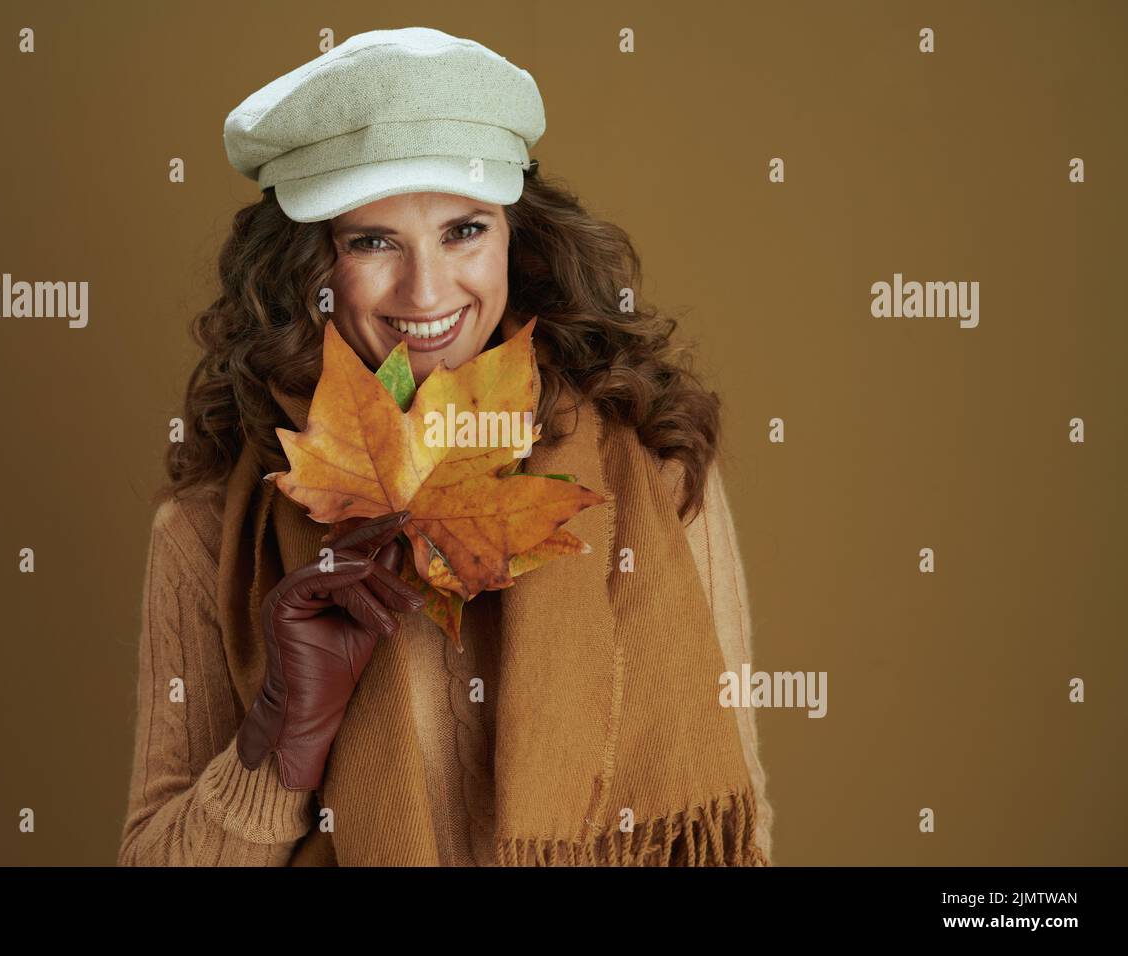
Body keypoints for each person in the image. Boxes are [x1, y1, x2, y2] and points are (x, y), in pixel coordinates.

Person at [118, 27, 775, 867]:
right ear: (303, 266)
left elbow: (735, 818)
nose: (426, 291)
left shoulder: (652, 469)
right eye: (372, 241)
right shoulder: (210, 533)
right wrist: (281, 736)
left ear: (517, 239)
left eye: (464, 231)